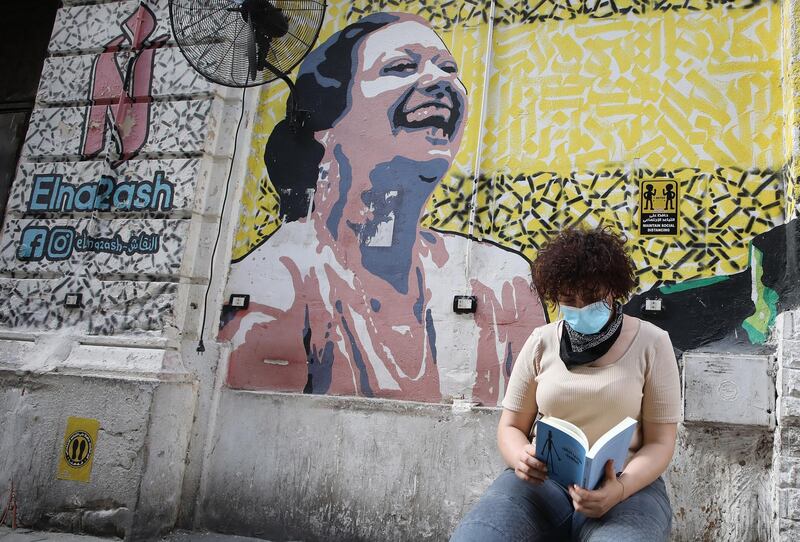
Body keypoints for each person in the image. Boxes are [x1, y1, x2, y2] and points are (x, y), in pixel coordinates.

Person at [219, 12, 545, 403]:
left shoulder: (501, 283)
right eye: (402, 66)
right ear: (326, 123)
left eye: (449, 69)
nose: (441, 80)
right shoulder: (276, 284)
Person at [450, 227, 681, 541]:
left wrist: (621, 488)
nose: (582, 307)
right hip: (542, 485)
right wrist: (521, 457)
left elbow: (660, 442)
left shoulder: (653, 343)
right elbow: (511, 427)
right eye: (569, 299)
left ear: (614, 290)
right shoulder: (541, 342)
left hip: (628, 486)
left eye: (593, 297)